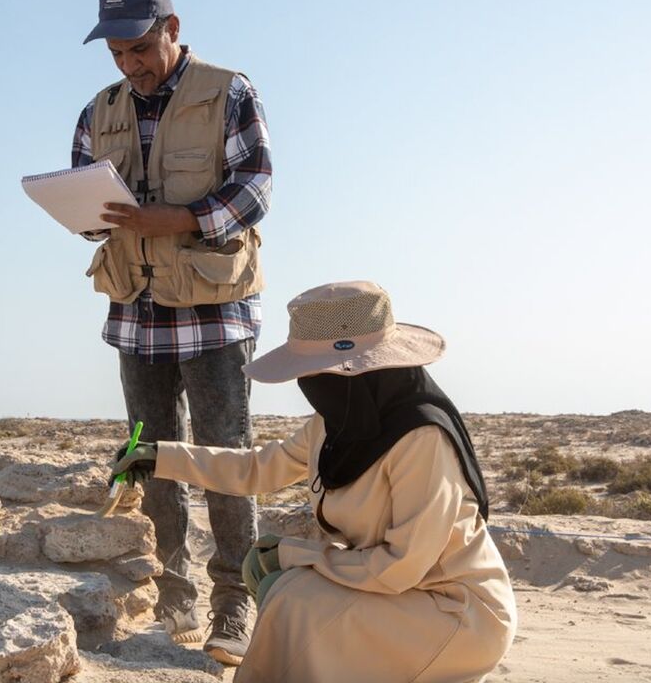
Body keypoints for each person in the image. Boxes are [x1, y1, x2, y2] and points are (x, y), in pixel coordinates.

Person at [114, 281, 517, 682]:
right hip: (396, 595)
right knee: (289, 591)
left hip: (455, 613)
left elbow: (400, 568)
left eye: (313, 373)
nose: (308, 386)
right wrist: (161, 456)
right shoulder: (335, 424)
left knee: (294, 599)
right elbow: (258, 468)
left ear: (352, 371)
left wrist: (293, 555)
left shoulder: (421, 439)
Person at [73, 0, 273, 664]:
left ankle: (235, 603)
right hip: (136, 313)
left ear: (173, 29)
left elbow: (256, 187)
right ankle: (175, 596)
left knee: (225, 463)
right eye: (117, 52)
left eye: (139, 46)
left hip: (215, 314)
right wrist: (83, 218)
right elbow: (85, 196)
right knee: (153, 458)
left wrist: (183, 217)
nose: (129, 62)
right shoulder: (97, 110)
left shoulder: (230, 91)